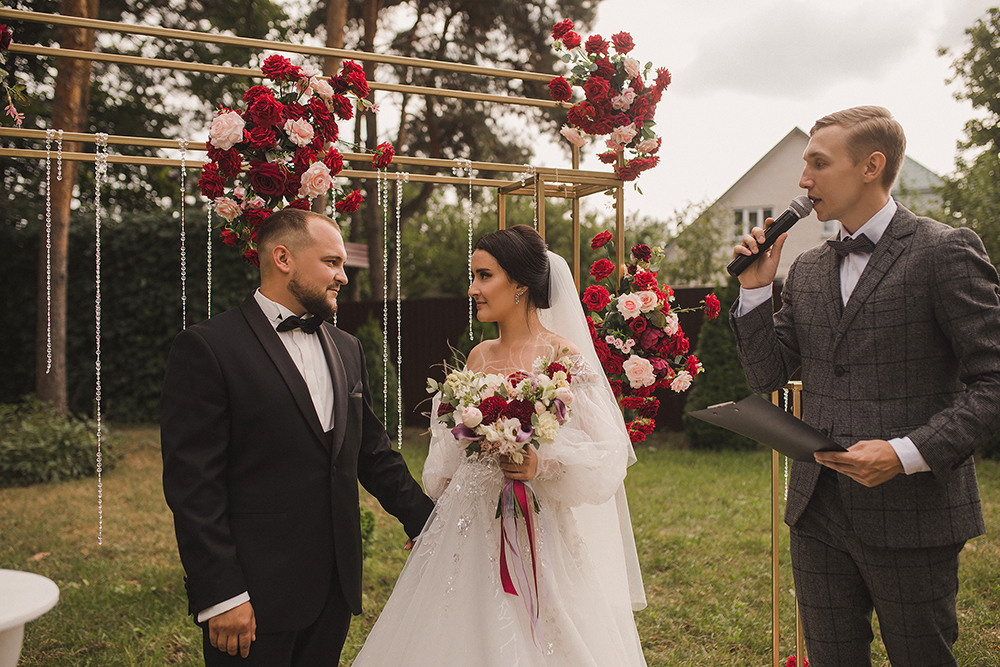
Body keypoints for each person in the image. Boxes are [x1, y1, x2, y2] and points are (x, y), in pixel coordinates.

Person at [730, 106, 1000, 665]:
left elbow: (993, 380)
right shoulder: (804, 269)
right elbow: (769, 377)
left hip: (914, 512)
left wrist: (907, 453)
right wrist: (756, 292)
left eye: (818, 164)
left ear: (872, 165)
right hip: (817, 511)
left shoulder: (944, 251)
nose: (803, 181)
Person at [352, 225, 647, 665]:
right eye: (473, 276)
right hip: (466, 520)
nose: (473, 288)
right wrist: (436, 518)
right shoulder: (478, 356)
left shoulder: (563, 357)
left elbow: (604, 454)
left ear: (521, 283)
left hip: (536, 523)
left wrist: (540, 465)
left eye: (484, 276)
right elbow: (450, 454)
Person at [160, 209, 434, 666]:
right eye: (332, 262)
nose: (343, 277)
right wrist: (222, 595)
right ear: (283, 257)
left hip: (334, 588)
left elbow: (372, 453)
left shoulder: (347, 347)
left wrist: (428, 522)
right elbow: (193, 488)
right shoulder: (208, 348)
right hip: (252, 595)